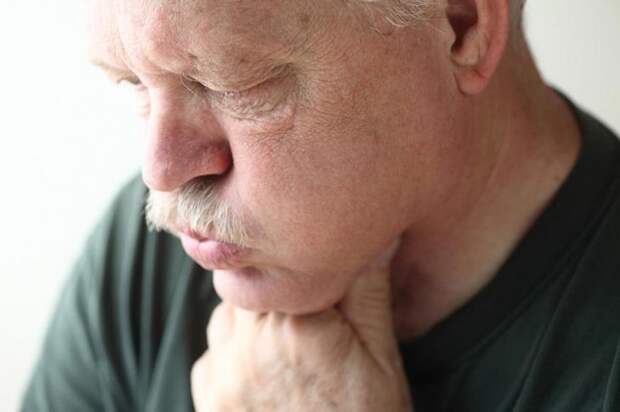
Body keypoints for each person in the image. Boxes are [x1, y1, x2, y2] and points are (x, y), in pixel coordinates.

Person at [21, 0, 620, 410]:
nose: (161, 172)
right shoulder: (144, 257)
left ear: (460, 25)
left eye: (236, 84)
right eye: (134, 84)